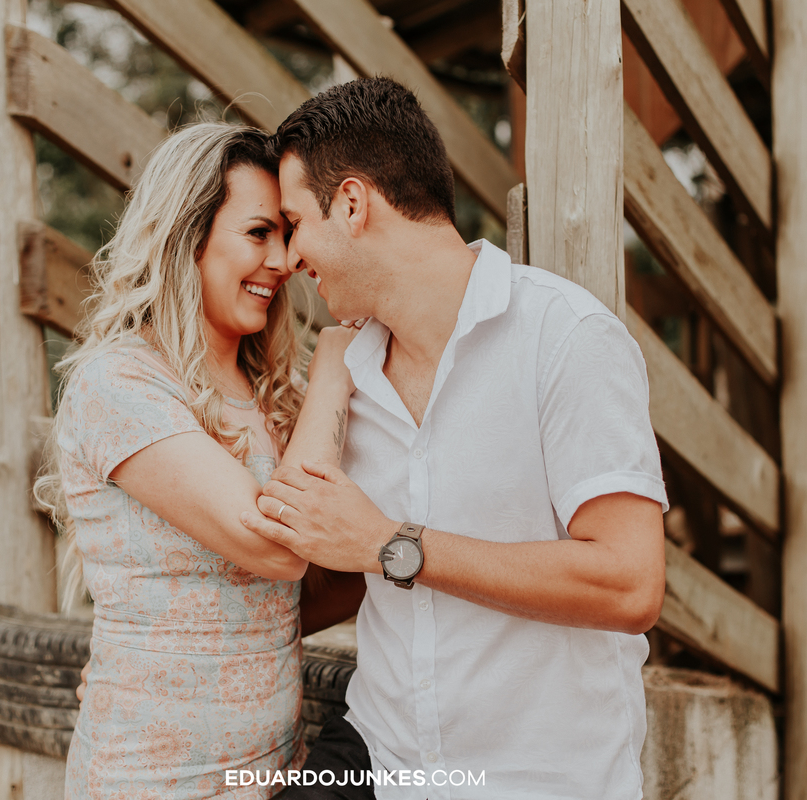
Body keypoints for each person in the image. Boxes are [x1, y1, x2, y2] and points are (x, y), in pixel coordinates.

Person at [239, 77, 669, 800]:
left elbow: (629, 584)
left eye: (294, 222)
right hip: (380, 760)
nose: (287, 258)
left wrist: (391, 545)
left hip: (538, 780)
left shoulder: (567, 338)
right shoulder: (349, 370)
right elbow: (328, 549)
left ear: (352, 204)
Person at [37, 122, 361, 800]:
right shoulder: (119, 383)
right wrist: (335, 370)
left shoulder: (272, 393)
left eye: (286, 234)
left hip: (275, 770)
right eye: (258, 232)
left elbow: (294, 591)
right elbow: (276, 547)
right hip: (153, 780)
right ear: (187, 236)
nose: (283, 259)